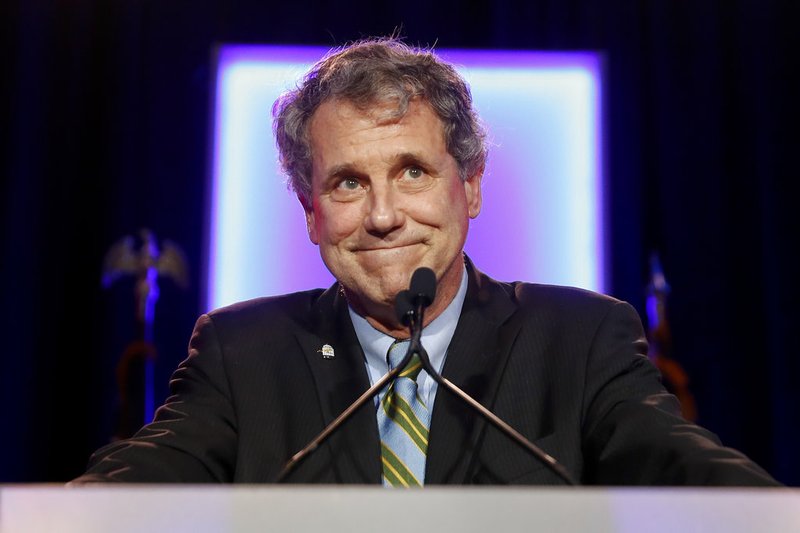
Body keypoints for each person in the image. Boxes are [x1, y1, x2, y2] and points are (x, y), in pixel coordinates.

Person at [75, 38, 778, 486]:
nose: (382, 214)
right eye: (348, 182)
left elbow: (681, 465)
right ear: (310, 209)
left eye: (412, 172)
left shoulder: (581, 339)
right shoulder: (241, 352)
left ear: (469, 186)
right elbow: (144, 477)